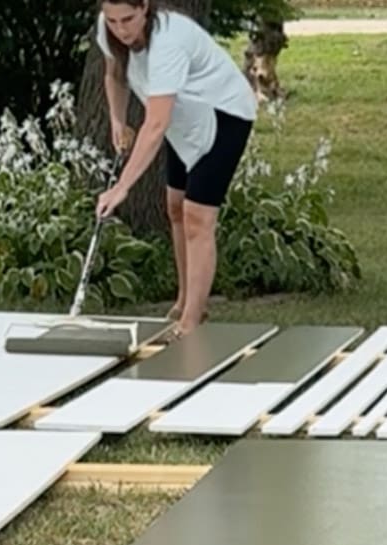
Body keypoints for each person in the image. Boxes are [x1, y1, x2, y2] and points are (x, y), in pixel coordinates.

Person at [95, 0, 257, 336]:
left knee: (198, 216)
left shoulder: (168, 41)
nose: (121, 30)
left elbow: (155, 124)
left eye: (128, 19)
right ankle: (185, 300)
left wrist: (122, 187)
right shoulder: (109, 29)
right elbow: (114, 73)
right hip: (185, 118)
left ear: (145, 7)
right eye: (113, 21)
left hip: (224, 114)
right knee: (175, 208)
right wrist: (116, 118)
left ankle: (192, 322)